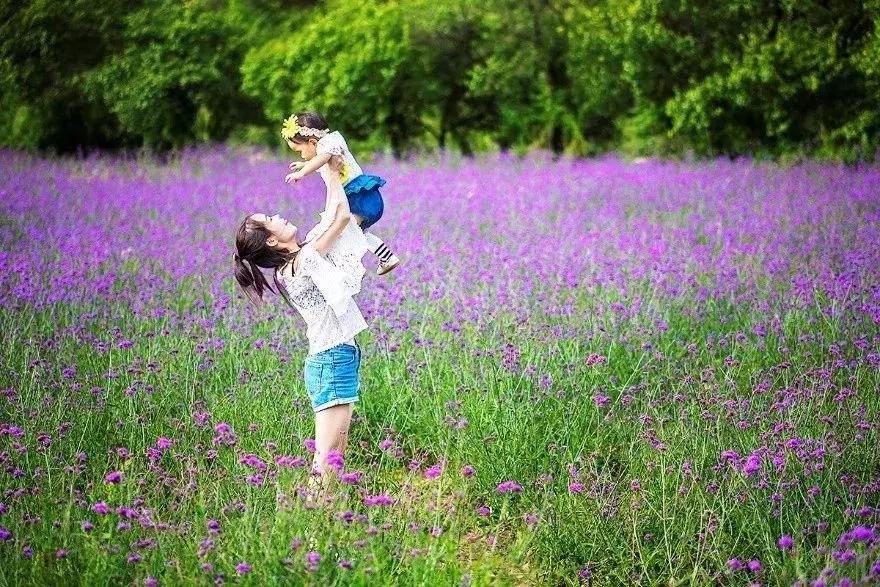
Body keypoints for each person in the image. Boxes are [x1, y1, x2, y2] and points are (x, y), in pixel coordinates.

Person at [232, 167, 366, 500]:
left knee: (333, 460)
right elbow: (343, 215)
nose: (279, 214)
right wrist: (331, 170)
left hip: (331, 360)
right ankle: (310, 539)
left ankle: (324, 529)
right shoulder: (304, 261)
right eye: (271, 218)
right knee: (327, 461)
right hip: (332, 360)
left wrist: (327, 171)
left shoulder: (289, 267)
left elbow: (332, 215)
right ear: (272, 240)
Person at [282, 111, 401, 275]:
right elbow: (321, 160)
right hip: (366, 200)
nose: (301, 155)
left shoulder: (327, 144)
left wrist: (302, 173)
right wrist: (304, 164)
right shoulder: (330, 144)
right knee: (355, 234)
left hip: (358, 199)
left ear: (312, 142)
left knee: (340, 235)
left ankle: (351, 269)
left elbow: (322, 158)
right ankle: (387, 258)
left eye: (299, 150)